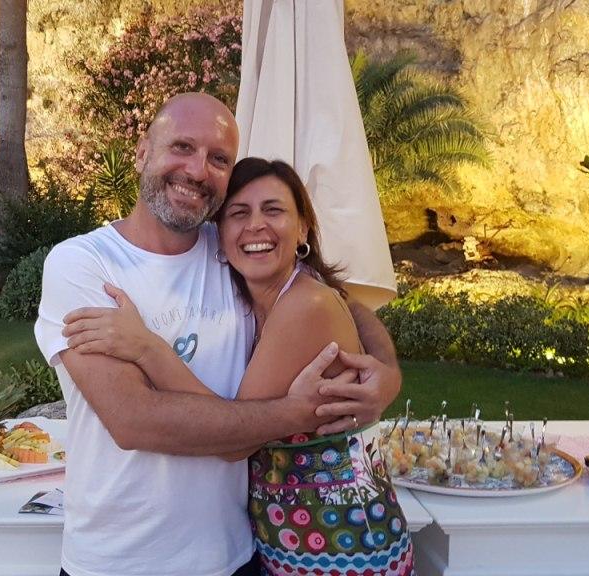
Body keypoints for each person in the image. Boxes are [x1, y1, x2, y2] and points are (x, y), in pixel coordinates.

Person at [35, 93, 402, 576]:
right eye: (182, 147)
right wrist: (292, 412)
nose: (197, 169)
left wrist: (386, 373)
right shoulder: (84, 263)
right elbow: (135, 421)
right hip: (118, 562)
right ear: (142, 152)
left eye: (219, 159)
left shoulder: (232, 250)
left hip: (236, 556)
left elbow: (337, 302)